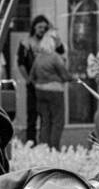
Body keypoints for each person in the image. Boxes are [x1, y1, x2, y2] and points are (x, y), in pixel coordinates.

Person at [16, 15, 66, 144]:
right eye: (39, 27)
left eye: (45, 27)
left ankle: (46, 144)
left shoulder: (49, 41)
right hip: (34, 84)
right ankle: (31, 142)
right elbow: (21, 63)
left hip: (47, 84)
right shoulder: (26, 43)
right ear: (34, 27)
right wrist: (28, 80)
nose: (42, 30)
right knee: (32, 115)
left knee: (46, 117)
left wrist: (55, 35)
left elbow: (61, 51)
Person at [31, 41, 72, 150]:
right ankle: (54, 148)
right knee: (57, 121)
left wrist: (39, 84)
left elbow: (32, 76)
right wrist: (72, 78)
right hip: (55, 91)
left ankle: (44, 148)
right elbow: (65, 76)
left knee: (44, 121)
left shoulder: (38, 58)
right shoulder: (55, 57)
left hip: (40, 91)